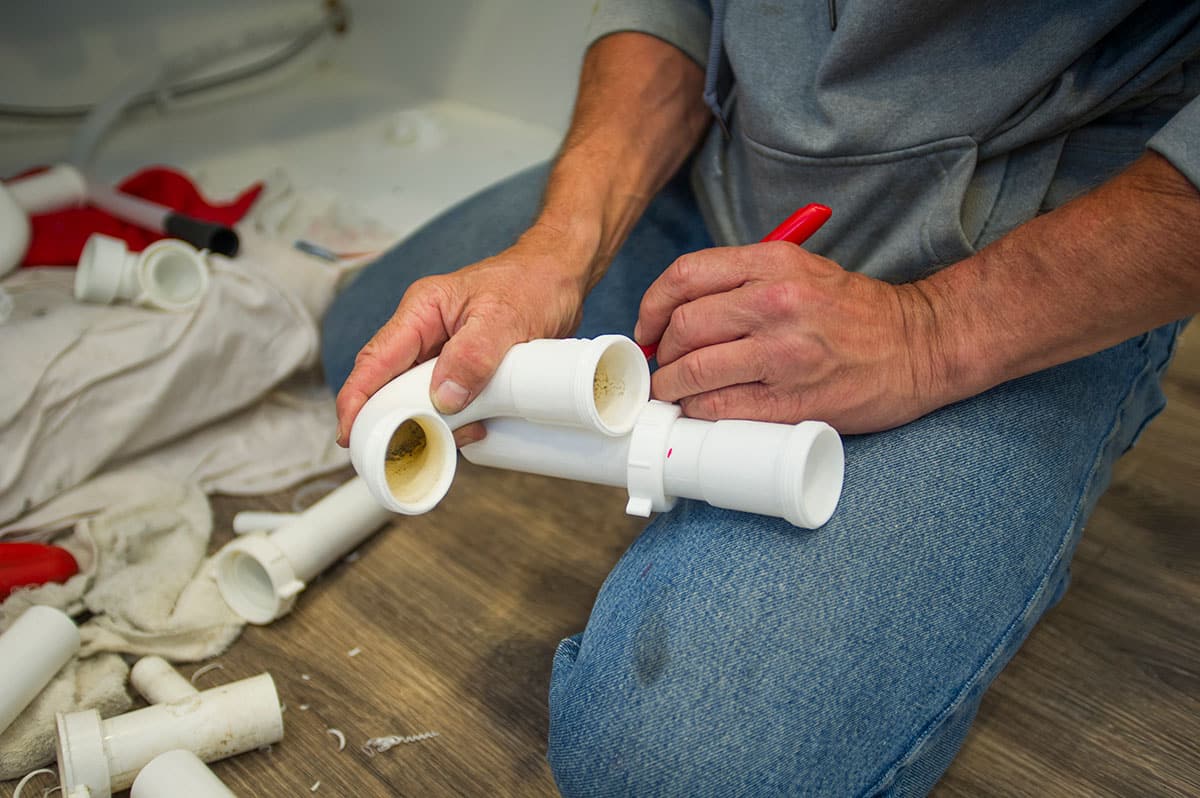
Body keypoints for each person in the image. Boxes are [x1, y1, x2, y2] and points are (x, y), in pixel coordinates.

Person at [323, 2, 1200, 794]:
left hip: (1018, 260)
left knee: (677, 773)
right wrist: (562, 245)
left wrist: (928, 333)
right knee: (363, 338)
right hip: (725, 184)